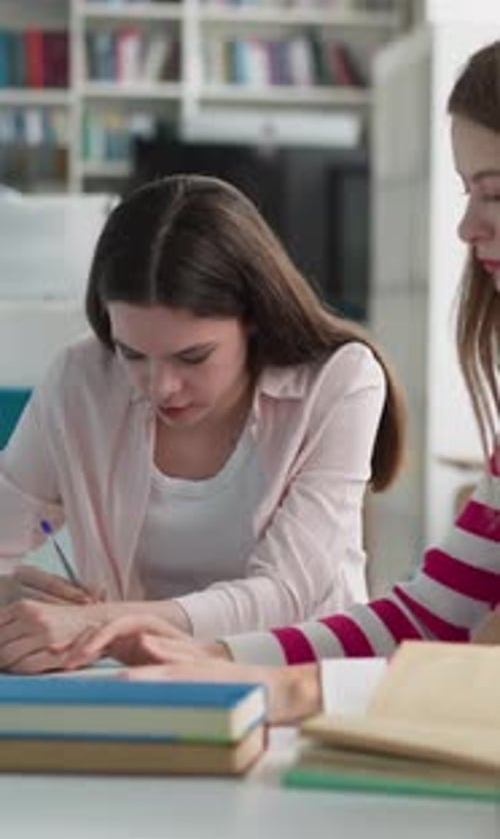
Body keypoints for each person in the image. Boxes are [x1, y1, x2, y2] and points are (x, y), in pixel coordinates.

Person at [55, 39, 500, 724]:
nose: (467, 227)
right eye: (468, 191)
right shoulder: (79, 377)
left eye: (493, 193)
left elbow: (474, 670)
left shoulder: (341, 379)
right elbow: (433, 617)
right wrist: (222, 660)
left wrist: (296, 689)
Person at [0, 174, 405, 674]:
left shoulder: (339, 380)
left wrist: (105, 623)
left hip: (302, 685)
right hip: (145, 688)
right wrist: (9, 595)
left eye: (192, 356)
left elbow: (287, 593)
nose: (160, 386)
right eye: (132, 354)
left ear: (254, 316)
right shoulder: (82, 377)